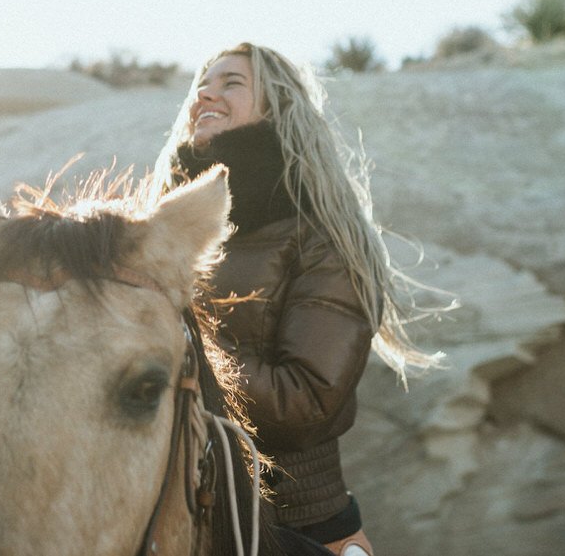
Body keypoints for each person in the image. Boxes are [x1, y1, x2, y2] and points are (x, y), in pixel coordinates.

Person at [156, 43, 442, 556]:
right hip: (175, 512)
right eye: (203, 83)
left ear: (277, 108)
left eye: (232, 83)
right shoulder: (167, 233)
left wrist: (182, 347)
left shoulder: (321, 239)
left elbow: (306, 400)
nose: (206, 93)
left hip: (295, 527)